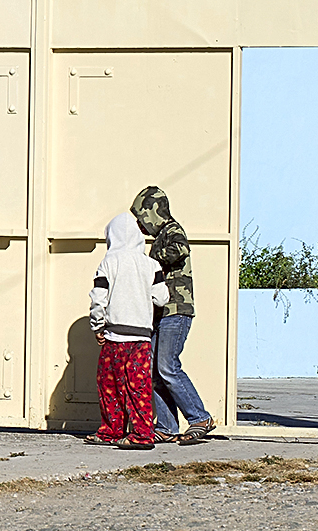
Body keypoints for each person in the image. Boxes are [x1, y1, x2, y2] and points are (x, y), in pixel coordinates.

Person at [134, 185, 216, 445]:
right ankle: (167, 426)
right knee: (154, 371)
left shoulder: (172, 230)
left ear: (153, 212)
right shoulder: (159, 236)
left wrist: (151, 260)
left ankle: (199, 417)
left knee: (167, 365)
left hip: (176, 310)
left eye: (142, 217)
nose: (140, 225)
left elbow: (180, 249)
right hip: (161, 313)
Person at [86, 211, 168, 449]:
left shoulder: (108, 262)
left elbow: (98, 299)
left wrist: (97, 326)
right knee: (139, 386)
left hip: (114, 338)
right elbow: (161, 298)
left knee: (109, 386)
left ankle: (111, 431)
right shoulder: (151, 265)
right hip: (141, 338)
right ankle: (142, 435)